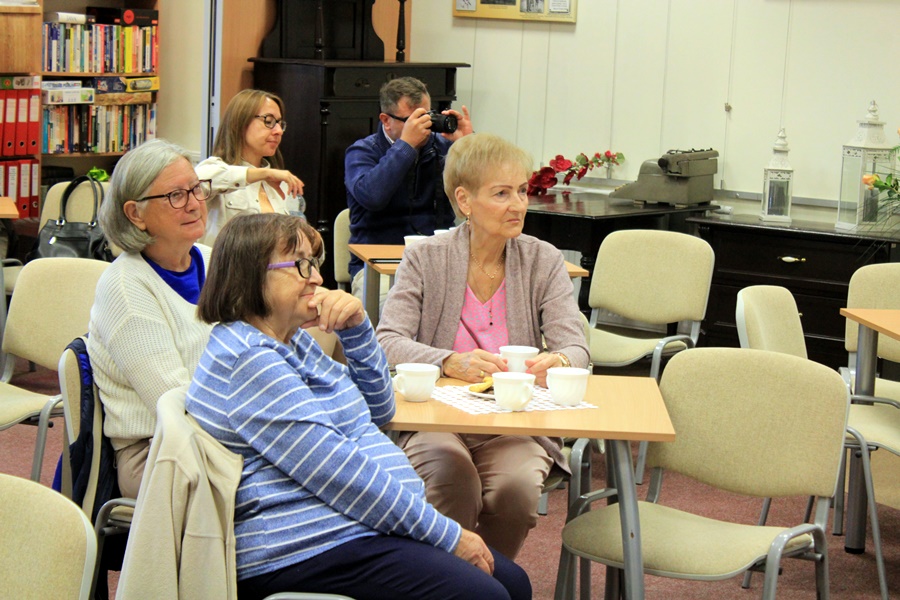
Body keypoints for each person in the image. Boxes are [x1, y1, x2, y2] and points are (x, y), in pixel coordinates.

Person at [185, 213, 531, 600]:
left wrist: (356, 326)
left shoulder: (289, 342)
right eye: (300, 265)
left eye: (313, 264)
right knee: (486, 595)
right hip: (301, 545)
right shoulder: (250, 360)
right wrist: (446, 534)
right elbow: (340, 476)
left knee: (514, 583)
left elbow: (378, 410)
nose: (316, 278)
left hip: (346, 526)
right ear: (251, 275)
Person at [375, 133, 590, 559]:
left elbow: (578, 350)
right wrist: (449, 361)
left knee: (517, 491)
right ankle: (450, 583)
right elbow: (387, 342)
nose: (518, 205)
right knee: (450, 478)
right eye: (502, 193)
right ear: (465, 200)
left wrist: (559, 360)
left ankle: (487, 580)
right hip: (438, 419)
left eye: (522, 191)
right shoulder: (427, 258)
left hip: (514, 422)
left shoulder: (542, 259)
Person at [88, 138, 215, 499]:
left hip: (219, 431)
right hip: (157, 451)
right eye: (176, 195)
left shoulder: (210, 258)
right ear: (135, 213)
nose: (194, 203)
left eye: (196, 189)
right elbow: (175, 404)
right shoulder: (126, 288)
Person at [345, 76, 473, 299]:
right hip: (377, 268)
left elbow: (478, 198)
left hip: (437, 265)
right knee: (391, 312)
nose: (422, 127)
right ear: (386, 120)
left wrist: (468, 146)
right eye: (412, 120)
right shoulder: (362, 153)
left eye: (425, 116)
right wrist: (406, 147)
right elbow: (373, 197)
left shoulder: (443, 147)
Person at [196, 88, 305, 245]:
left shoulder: (278, 182)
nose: (279, 131)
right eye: (268, 121)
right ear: (240, 123)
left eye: (280, 124)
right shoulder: (215, 167)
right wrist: (264, 174)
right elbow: (197, 181)